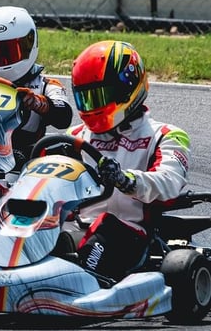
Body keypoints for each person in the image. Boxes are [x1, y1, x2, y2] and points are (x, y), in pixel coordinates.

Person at [67, 40, 190, 281]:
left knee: (103, 233)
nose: (94, 106)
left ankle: (76, 282)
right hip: (74, 227)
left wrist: (126, 180)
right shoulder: (72, 137)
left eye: (101, 96)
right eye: (87, 99)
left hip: (127, 232)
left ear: (127, 87)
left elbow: (169, 182)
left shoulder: (164, 135)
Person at [0, 6, 73, 165]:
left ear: (30, 44)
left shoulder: (46, 85)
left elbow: (64, 117)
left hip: (23, 160)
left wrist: (38, 103)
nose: (2, 59)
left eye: (9, 51)